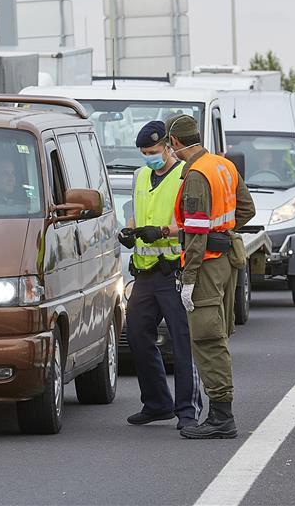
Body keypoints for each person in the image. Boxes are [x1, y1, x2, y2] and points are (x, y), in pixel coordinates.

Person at [167, 113, 255, 439]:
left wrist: (188, 277)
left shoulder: (195, 175)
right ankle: (219, 412)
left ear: (174, 143)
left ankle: (221, 416)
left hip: (205, 263)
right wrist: (226, 231)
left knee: (207, 339)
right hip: (226, 260)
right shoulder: (223, 165)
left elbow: (196, 233)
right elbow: (246, 209)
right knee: (218, 335)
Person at [117, 121, 202, 431]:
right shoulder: (140, 176)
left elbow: (194, 222)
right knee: (137, 335)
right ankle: (157, 404)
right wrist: (129, 228)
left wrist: (163, 231)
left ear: (169, 146)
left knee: (181, 343)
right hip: (145, 272)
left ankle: (187, 412)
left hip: (173, 271)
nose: (149, 157)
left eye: (153, 151)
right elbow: (138, 211)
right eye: (144, 153)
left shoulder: (184, 176)